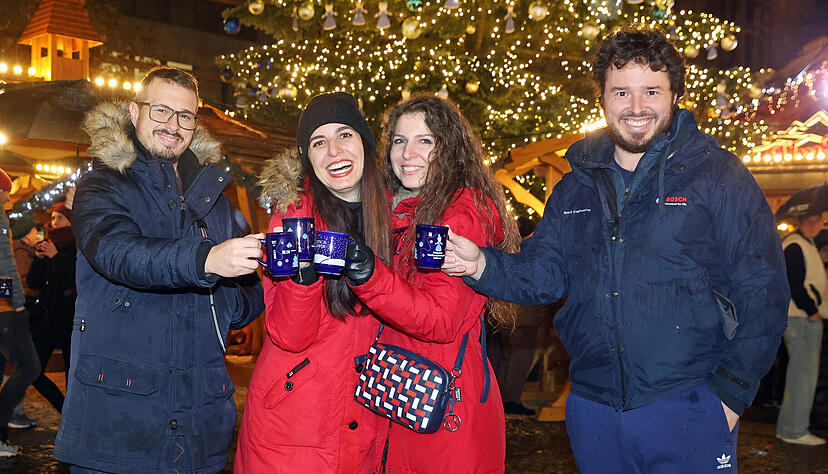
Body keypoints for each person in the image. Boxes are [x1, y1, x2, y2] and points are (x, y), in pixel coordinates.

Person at [443, 27, 789, 472]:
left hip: (691, 403)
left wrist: (731, 394)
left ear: (675, 95)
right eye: (622, 92)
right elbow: (545, 273)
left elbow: (763, 288)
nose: (637, 107)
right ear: (603, 98)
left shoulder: (717, 175)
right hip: (595, 410)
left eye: (652, 91)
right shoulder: (575, 186)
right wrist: (481, 263)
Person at [53, 67, 265, 473]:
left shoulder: (215, 199)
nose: (173, 125)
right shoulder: (103, 185)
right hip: (119, 423)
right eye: (161, 111)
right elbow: (116, 252)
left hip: (200, 422)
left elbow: (249, 292)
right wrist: (206, 261)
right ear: (135, 112)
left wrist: (228, 294)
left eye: (185, 115)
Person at [342, 95, 520, 473]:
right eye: (399, 140)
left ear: (449, 148)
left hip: (443, 405)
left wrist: (369, 275)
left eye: (425, 141)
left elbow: (440, 319)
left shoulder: (460, 211)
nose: (408, 153)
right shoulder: (395, 208)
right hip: (397, 392)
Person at [235, 92, 392, 473]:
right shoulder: (293, 218)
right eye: (319, 142)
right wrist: (302, 284)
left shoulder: (394, 214)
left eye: (345, 135)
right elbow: (289, 335)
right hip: (294, 423)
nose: (334, 151)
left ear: (365, 144)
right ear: (308, 157)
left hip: (367, 419)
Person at [777, 213, 828, 445]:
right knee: (802, 375)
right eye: (815, 220)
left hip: (801, 316)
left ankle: (793, 427)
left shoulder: (802, 243)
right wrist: (811, 309)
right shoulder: (796, 244)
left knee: (802, 374)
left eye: (820, 221)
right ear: (805, 221)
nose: (819, 225)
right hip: (800, 317)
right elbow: (794, 282)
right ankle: (793, 430)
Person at [0, 168, 40, 457]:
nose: (8, 198)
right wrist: (14, 301)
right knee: (29, 367)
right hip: (5, 311)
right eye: (6, 191)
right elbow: (4, 265)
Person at [26, 202, 76, 414]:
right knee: (32, 370)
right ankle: (63, 407)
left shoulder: (79, 245)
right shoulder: (48, 244)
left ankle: (73, 418)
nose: (54, 223)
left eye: (60, 218)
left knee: (71, 374)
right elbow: (34, 283)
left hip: (69, 319)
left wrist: (56, 257)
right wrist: (39, 261)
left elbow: (72, 280)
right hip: (46, 319)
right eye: (53, 218)